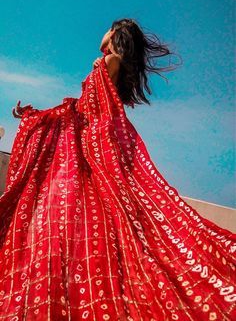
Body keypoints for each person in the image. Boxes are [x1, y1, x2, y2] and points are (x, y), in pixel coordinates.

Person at [0, 18, 235, 321]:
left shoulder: (108, 60)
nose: (103, 35)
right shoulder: (112, 62)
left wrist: (60, 127)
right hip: (81, 136)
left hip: (85, 143)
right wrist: (39, 115)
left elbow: (96, 111)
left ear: (114, 33)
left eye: (108, 29)